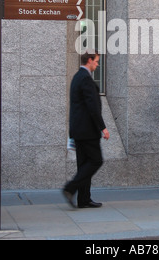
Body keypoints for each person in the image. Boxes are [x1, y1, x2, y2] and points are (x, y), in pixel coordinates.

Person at [63, 50, 110, 209]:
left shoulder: (77, 77)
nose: (97, 64)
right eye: (96, 61)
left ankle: (84, 199)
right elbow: (93, 107)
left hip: (78, 130)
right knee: (96, 160)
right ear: (89, 60)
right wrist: (103, 127)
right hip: (87, 130)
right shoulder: (85, 79)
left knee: (84, 164)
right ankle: (70, 188)